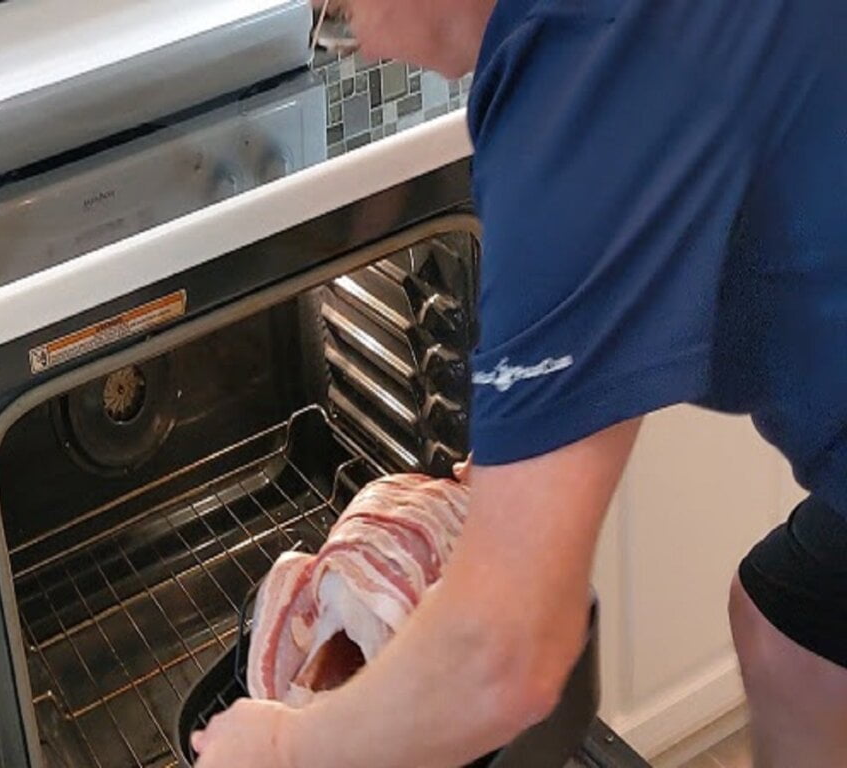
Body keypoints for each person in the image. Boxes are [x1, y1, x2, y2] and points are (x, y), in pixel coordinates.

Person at [191, 0, 847, 765]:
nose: (358, 53)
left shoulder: (575, 88)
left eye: (335, 17)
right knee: (786, 631)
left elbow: (505, 658)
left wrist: (284, 749)